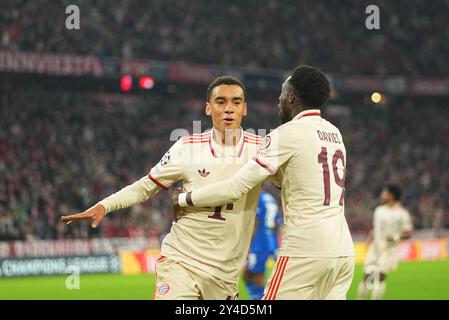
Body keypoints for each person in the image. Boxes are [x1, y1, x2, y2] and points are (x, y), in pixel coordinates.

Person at [61, 76, 265, 300]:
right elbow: (145, 186)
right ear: (208, 108)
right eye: (220, 101)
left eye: (236, 102)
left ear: (244, 109)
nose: (229, 109)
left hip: (225, 274)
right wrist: (105, 205)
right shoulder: (187, 147)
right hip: (181, 262)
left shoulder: (263, 150)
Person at [175, 65, 355, 300]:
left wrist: (184, 198)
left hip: (306, 249)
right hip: (343, 251)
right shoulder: (335, 133)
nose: (279, 100)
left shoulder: (286, 134)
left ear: (291, 96)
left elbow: (235, 187)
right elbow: (295, 178)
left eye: (282, 92)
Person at [356, 185, 413, 300]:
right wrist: (370, 239)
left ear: (391, 195)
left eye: (384, 192)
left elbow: (408, 232)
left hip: (388, 250)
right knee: (368, 275)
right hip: (375, 248)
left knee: (380, 276)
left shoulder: (402, 213)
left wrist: (395, 237)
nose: (382, 194)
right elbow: (374, 228)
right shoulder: (379, 210)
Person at [244, 189, 283, 300]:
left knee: (256, 274)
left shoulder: (258, 197)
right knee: (249, 274)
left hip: (259, 242)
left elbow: (255, 222)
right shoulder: (270, 198)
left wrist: (248, 245)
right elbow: (277, 223)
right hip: (271, 240)